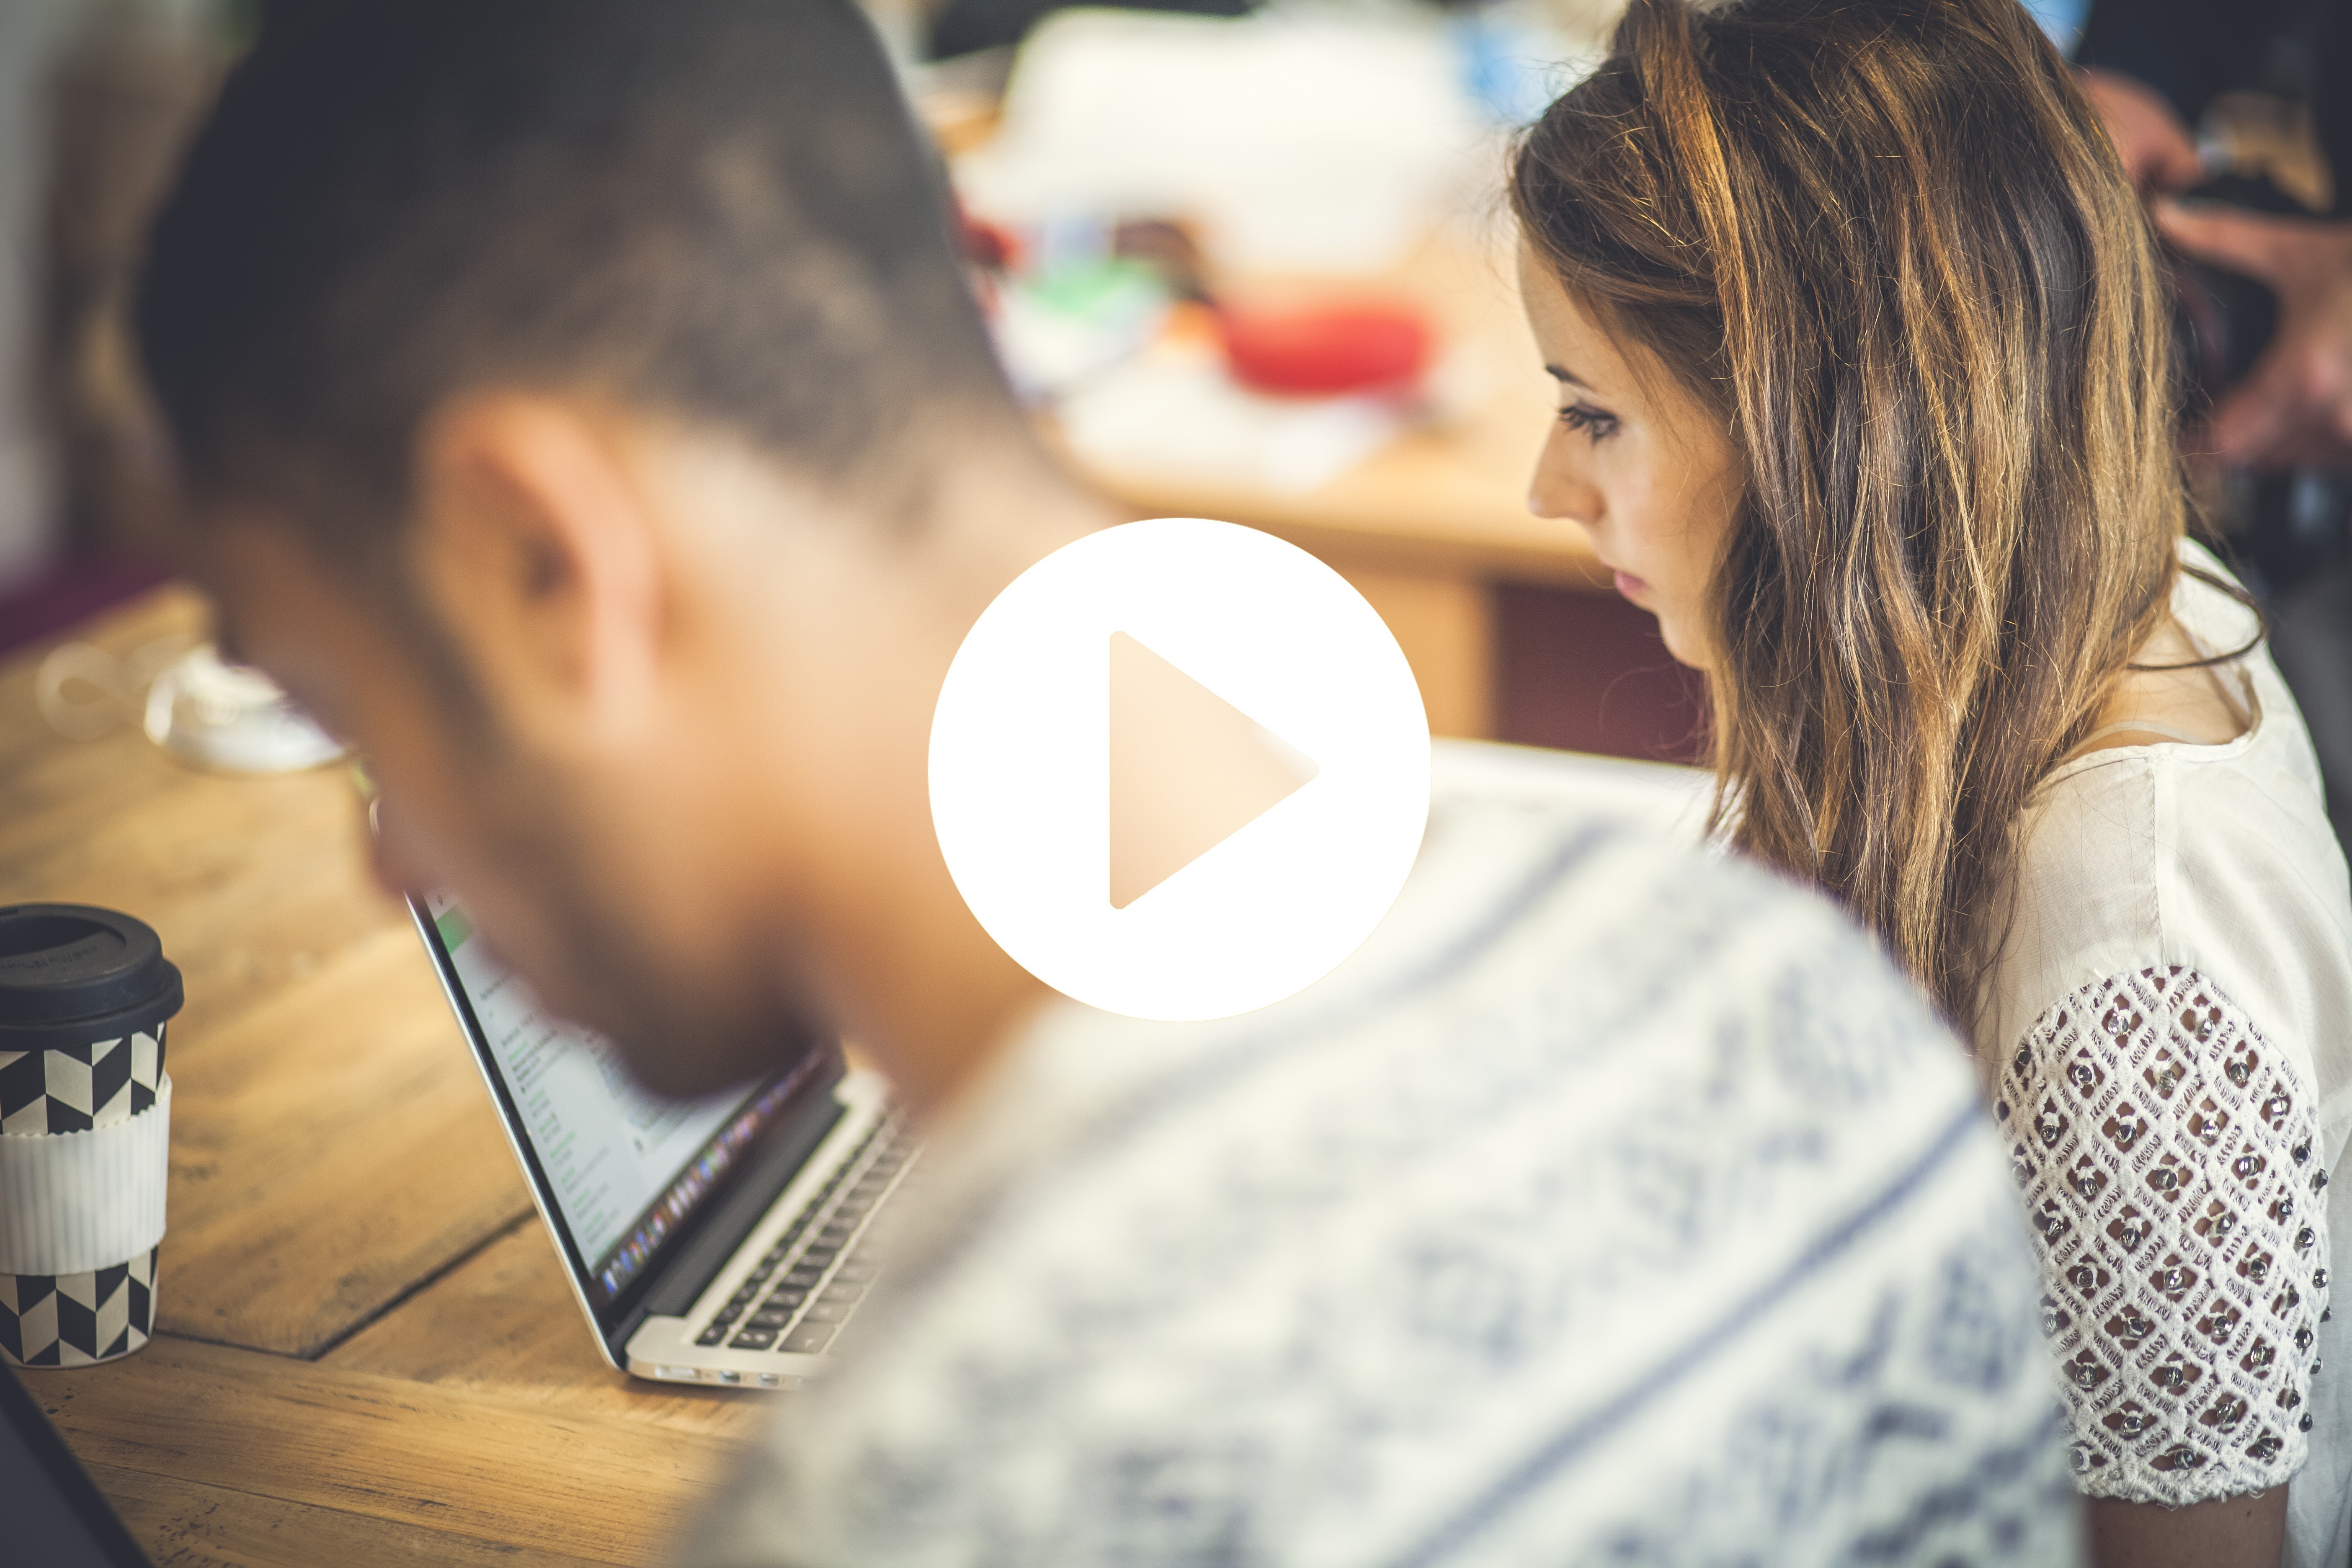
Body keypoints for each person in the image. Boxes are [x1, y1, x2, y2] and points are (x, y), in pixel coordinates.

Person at [132, 0, 2077, 1561]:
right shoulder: (1797, 1005)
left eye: (359, 708)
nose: (393, 857)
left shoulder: (949, 1489)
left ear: (543, 560)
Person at [1507, 2, 2352, 1565]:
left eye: (1592, 414)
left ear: (1829, 436)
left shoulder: (2135, 966)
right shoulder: (2073, 574)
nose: (1549, 490)